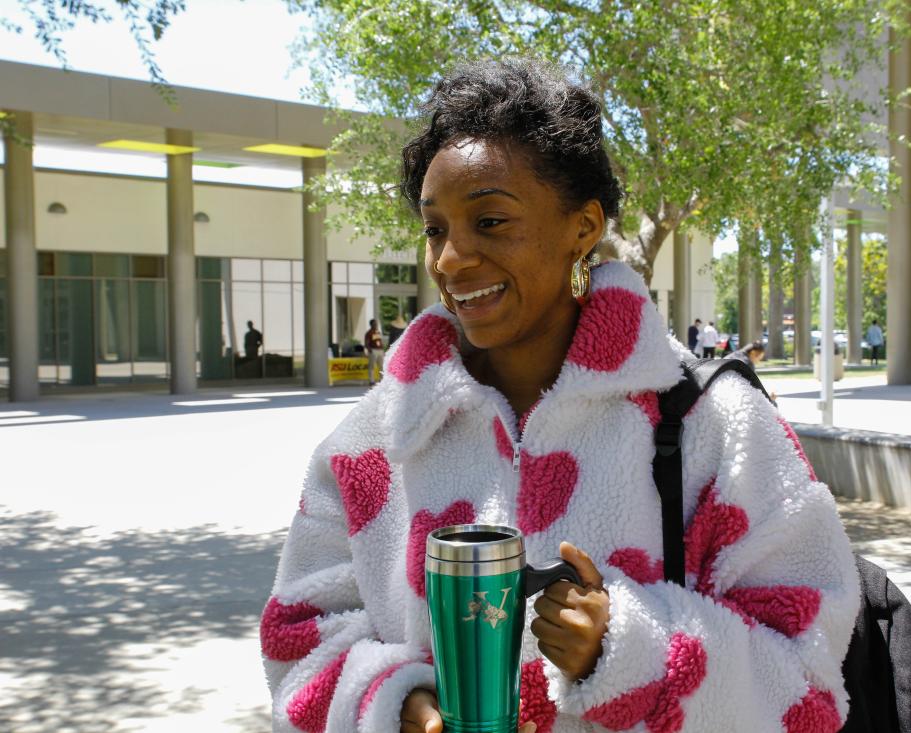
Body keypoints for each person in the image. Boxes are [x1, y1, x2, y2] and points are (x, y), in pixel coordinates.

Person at [261, 60, 858, 733]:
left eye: (489, 221)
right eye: (435, 228)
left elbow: (809, 679)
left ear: (583, 225)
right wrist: (394, 705)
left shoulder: (711, 425)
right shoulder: (370, 447)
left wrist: (628, 651)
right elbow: (298, 647)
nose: (450, 259)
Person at [365, 318, 384, 386]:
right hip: (373, 350)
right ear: (371, 324)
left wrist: (382, 349)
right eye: (375, 323)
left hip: (380, 350)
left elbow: (380, 341)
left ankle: (382, 379)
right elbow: (366, 343)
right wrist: (369, 350)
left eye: (376, 323)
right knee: (372, 366)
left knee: (381, 366)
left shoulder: (378, 332)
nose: (376, 324)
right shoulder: (369, 333)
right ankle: (371, 380)